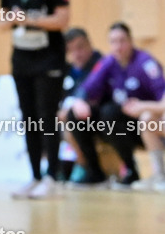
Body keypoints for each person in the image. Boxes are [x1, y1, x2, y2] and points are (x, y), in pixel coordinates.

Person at [0, 0, 70, 199]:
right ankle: (34, 176)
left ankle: (53, 177)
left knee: (47, 116)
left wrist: (29, 18)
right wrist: (13, 18)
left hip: (49, 58)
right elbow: (1, 21)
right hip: (22, 60)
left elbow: (62, 20)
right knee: (28, 118)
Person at [67, 22, 165, 187]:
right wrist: (79, 100)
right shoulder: (109, 62)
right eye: (113, 42)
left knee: (139, 117)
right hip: (122, 125)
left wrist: (143, 107)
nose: (118, 46)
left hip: (149, 121)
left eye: (122, 41)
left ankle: (151, 174)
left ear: (131, 41)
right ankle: (96, 172)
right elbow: (87, 87)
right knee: (80, 114)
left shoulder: (146, 63)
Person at [56, 27, 103, 183]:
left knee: (71, 119)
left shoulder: (100, 64)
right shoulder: (69, 71)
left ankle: (85, 167)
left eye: (80, 47)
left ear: (90, 43)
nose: (77, 54)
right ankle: (55, 167)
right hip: (72, 116)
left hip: (98, 116)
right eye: (72, 50)